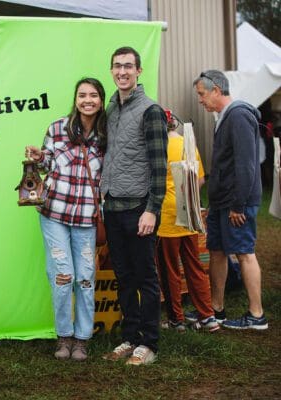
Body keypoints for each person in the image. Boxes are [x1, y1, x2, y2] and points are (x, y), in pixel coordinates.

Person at [25, 77, 107, 361]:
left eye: (93, 95)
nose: (87, 100)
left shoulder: (107, 133)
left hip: (86, 217)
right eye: (82, 95)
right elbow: (47, 164)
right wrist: (38, 157)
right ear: (75, 99)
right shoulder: (57, 128)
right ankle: (64, 336)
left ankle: (82, 338)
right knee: (63, 277)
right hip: (55, 213)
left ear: (101, 99)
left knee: (85, 278)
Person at [100, 47, 167, 366]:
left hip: (139, 208)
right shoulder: (111, 108)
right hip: (112, 207)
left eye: (128, 66)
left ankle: (149, 343)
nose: (122, 71)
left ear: (139, 71)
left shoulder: (150, 110)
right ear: (111, 70)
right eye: (117, 66)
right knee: (124, 277)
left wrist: (152, 209)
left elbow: (159, 166)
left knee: (145, 278)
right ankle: (130, 337)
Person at [193, 70, 268, 330]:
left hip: (237, 203)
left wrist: (239, 205)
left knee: (244, 253)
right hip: (221, 201)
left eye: (202, 94)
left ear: (216, 90)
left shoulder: (238, 115)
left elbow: (247, 164)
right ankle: (216, 309)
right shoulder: (224, 117)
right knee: (217, 251)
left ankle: (256, 315)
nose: (200, 100)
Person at [155, 111, 219, 333]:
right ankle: (208, 316)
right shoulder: (187, 142)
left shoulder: (154, 146)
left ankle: (176, 320)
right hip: (189, 212)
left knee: (169, 269)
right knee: (195, 266)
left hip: (165, 216)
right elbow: (200, 179)